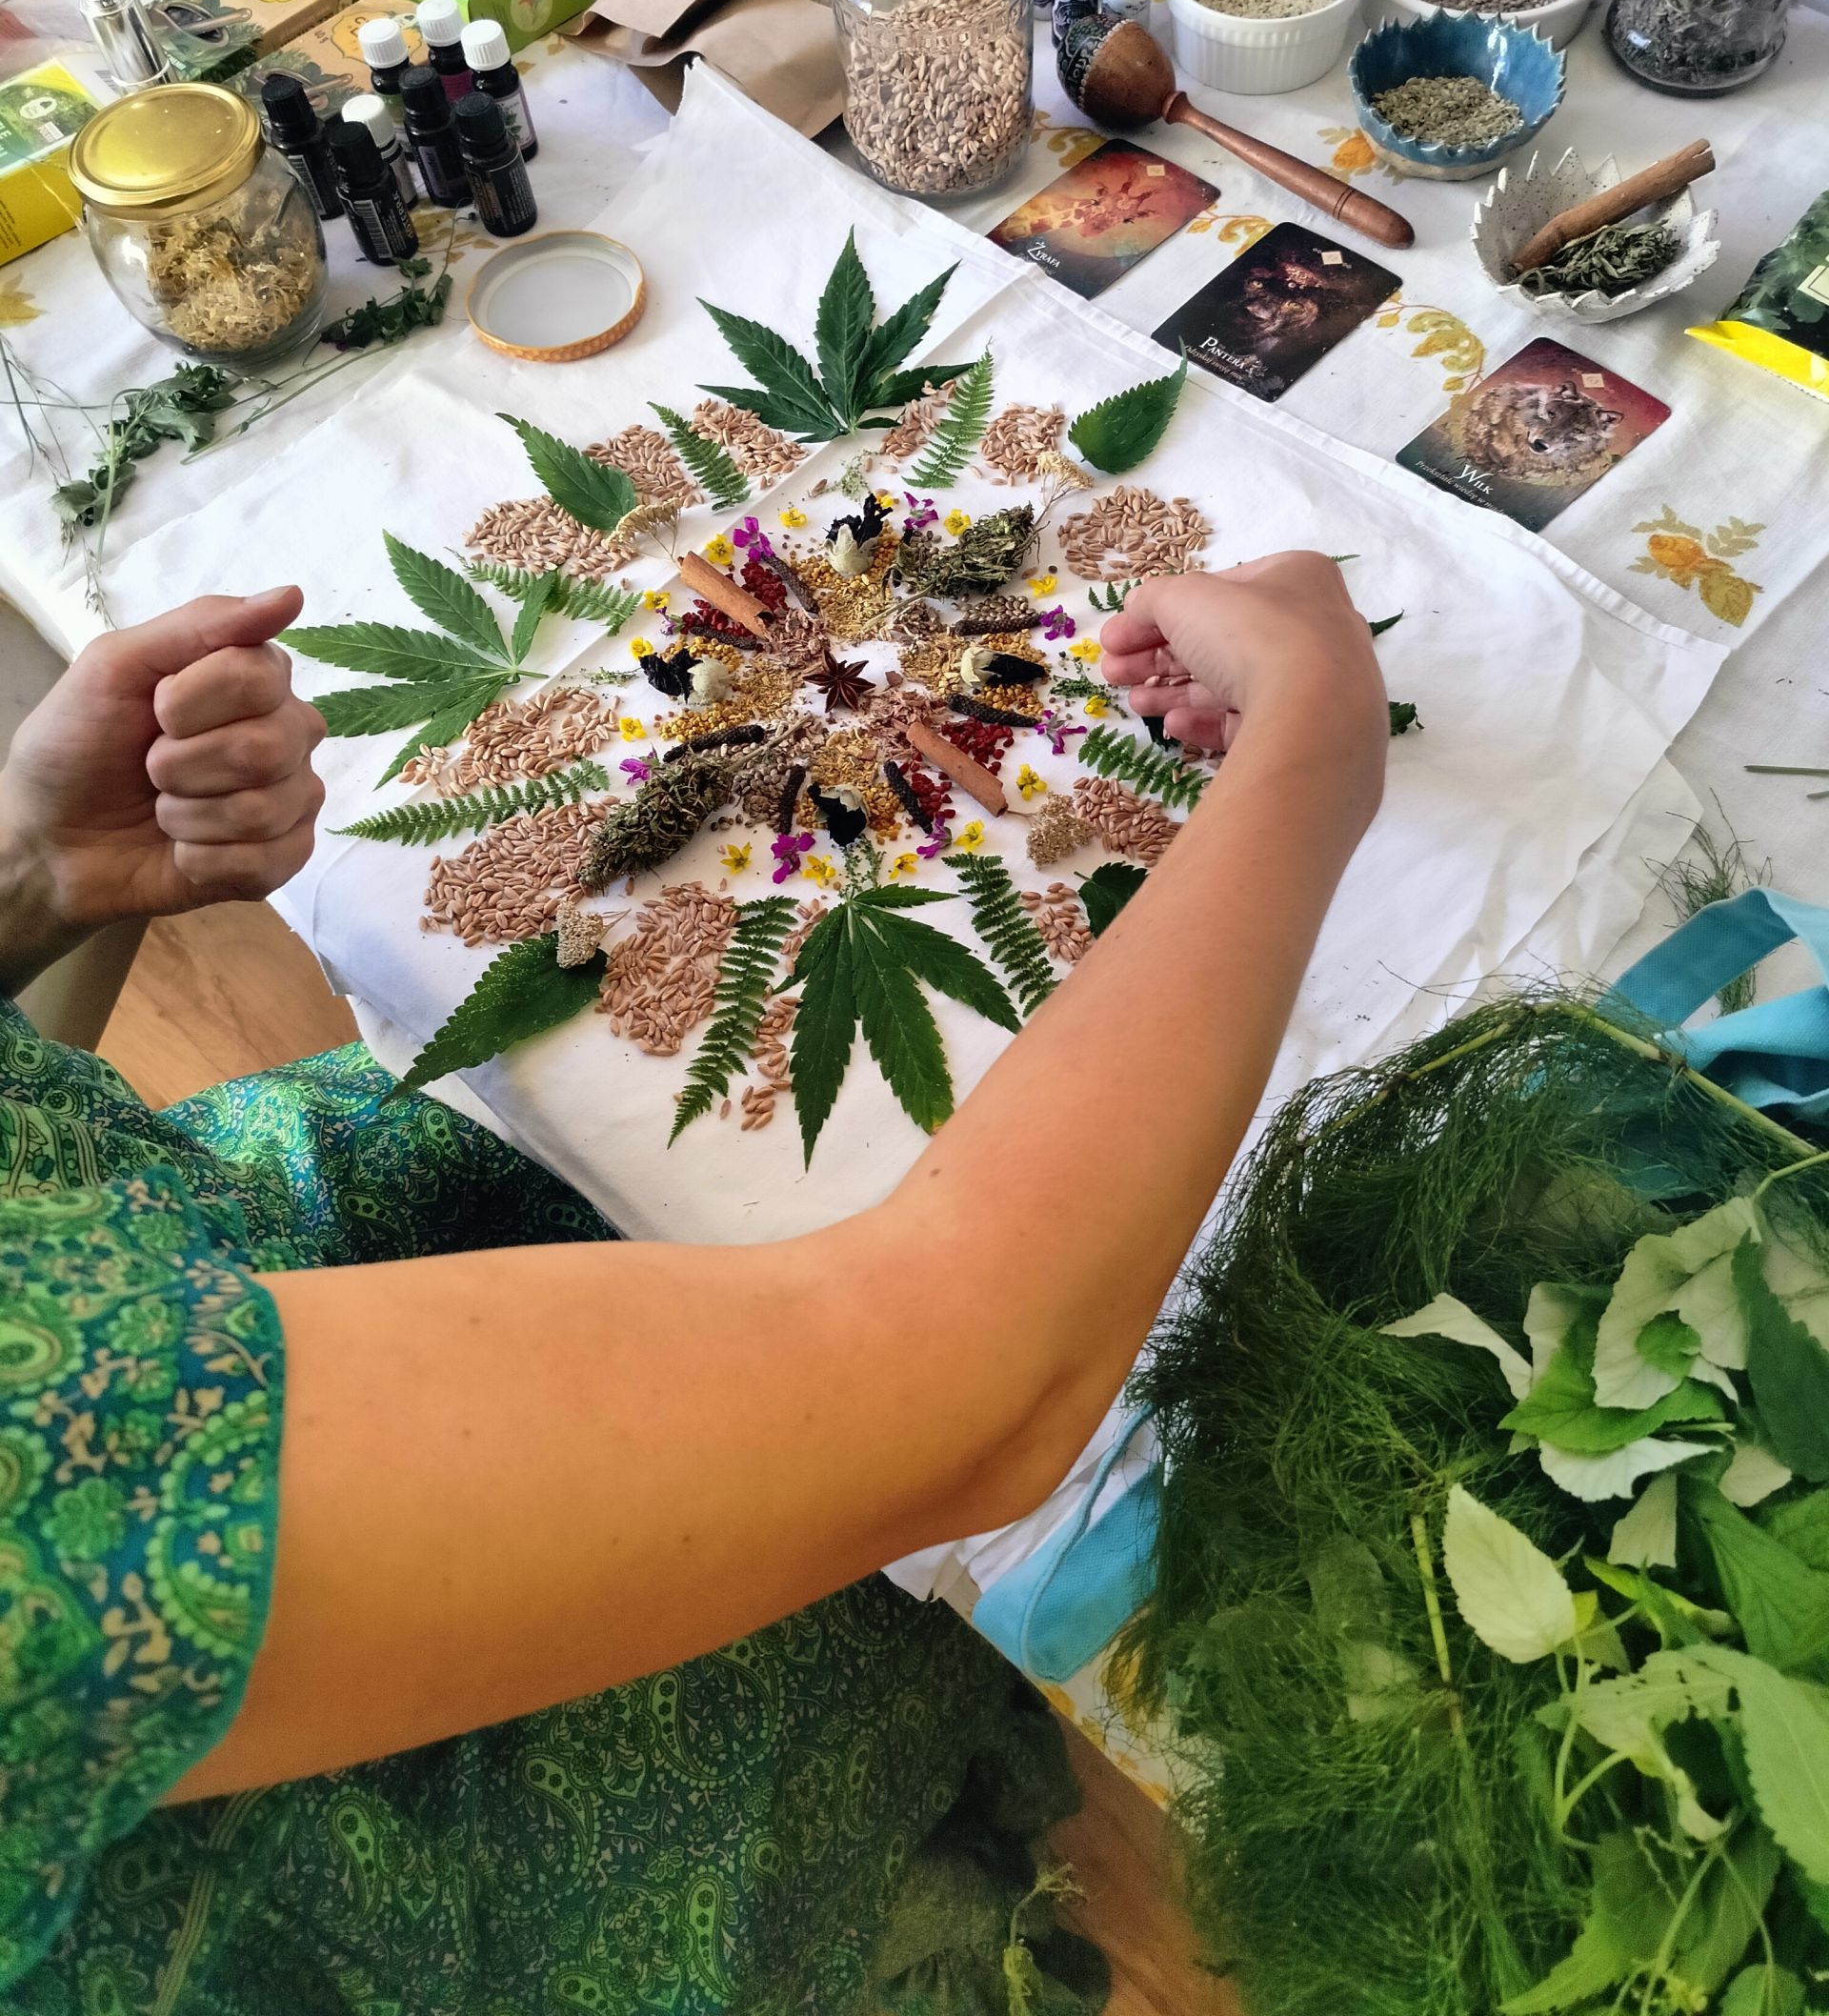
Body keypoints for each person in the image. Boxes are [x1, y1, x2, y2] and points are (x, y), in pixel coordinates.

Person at [0, 555, 1387, 2014]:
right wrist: (1316, 733)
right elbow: (959, 1387)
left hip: (308, 1246)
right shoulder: (57, 1510)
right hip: (518, 1817)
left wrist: (38, 878)